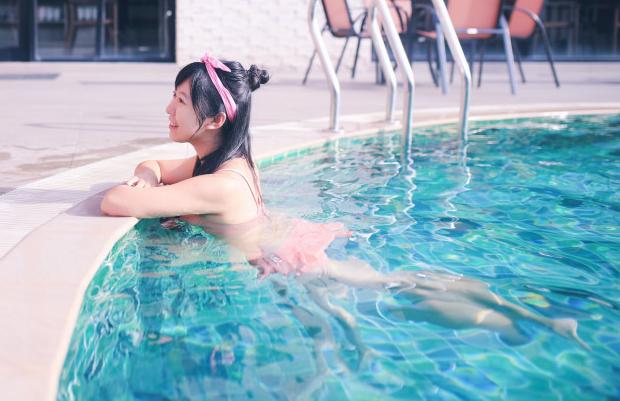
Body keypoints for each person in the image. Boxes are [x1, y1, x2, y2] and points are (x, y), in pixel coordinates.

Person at [101, 53, 588, 353]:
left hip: (291, 256)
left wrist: (143, 188)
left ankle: (516, 323)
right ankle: (536, 318)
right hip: (287, 238)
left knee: (396, 289)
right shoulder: (227, 162)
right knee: (395, 281)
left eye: (181, 101)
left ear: (212, 121)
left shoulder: (219, 184)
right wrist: (147, 174)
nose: (168, 108)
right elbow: (154, 166)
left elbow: (114, 202)